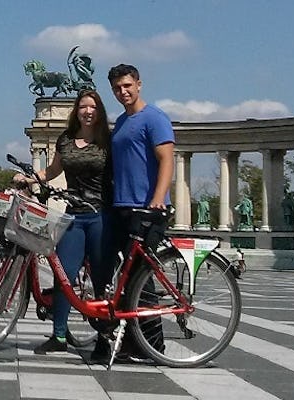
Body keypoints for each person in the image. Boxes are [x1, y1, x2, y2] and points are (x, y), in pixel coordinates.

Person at [8, 90, 112, 354]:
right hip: (74, 214)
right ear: (76, 111)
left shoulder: (107, 141)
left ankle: (103, 338)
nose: (88, 111)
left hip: (100, 214)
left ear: (98, 112)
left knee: (101, 278)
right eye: (83, 107)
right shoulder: (66, 140)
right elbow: (53, 171)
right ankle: (59, 335)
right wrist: (30, 179)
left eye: (93, 107)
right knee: (63, 273)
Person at [100, 64, 175, 362]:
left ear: (139, 84)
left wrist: (158, 199)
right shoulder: (120, 122)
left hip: (146, 207)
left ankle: (153, 344)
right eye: (118, 88)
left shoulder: (154, 118)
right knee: (124, 279)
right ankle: (132, 340)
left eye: (128, 86)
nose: (123, 92)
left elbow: (167, 159)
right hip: (122, 206)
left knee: (142, 279)